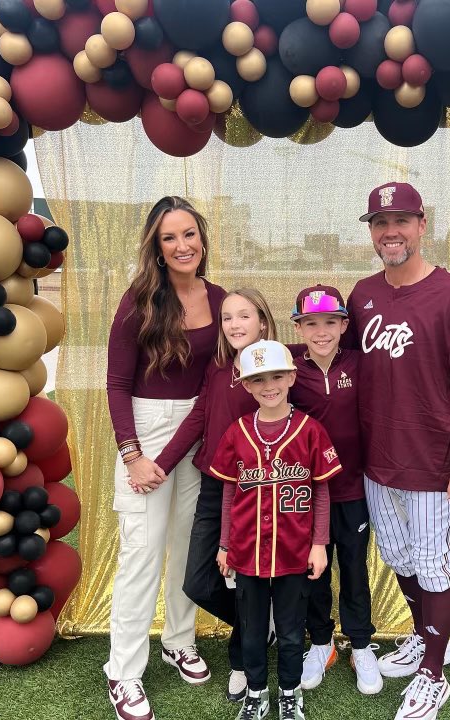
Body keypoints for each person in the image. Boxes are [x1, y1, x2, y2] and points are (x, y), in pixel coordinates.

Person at [346, 182, 450, 720]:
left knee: (434, 567)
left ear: (421, 224)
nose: (391, 232)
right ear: (371, 230)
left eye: (401, 221)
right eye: (380, 223)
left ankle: (433, 674)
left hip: (435, 464)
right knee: (399, 559)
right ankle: (425, 637)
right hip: (377, 461)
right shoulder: (362, 294)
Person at [104, 196, 226, 720]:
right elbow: (116, 383)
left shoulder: (219, 298)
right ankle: (123, 672)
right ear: (156, 247)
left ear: (202, 238)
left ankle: (179, 640)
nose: (183, 246)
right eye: (170, 237)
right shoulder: (139, 300)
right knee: (142, 556)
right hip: (144, 432)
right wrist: (133, 456)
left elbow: (217, 383)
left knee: (187, 548)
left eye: (190, 234)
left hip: (197, 432)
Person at [152, 289, 278, 704]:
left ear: (262, 320)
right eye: (227, 318)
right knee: (197, 582)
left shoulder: (275, 365)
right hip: (213, 484)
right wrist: (162, 464)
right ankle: (261, 621)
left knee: (248, 577)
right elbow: (199, 418)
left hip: (257, 488)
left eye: (245, 315)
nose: (236, 324)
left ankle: (241, 658)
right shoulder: (219, 367)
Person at [212, 340, 342, 720]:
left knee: (289, 631)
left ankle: (290, 692)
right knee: (251, 631)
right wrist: (223, 545)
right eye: (258, 379)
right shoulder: (237, 432)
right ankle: (257, 693)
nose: (268, 385)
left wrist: (320, 544)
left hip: (294, 551)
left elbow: (321, 490)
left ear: (290, 377)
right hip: (247, 551)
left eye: (276, 376)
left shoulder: (309, 431)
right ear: (247, 385)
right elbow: (228, 492)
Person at [288, 285, 380, 695]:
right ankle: (322, 643)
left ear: (345, 324)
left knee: (355, 571)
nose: (321, 331)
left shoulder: (362, 364)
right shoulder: (289, 368)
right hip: (308, 494)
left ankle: (361, 644)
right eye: (311, 323)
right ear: (300, 327)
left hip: (355, 489)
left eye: (330, 322)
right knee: (314, 572)